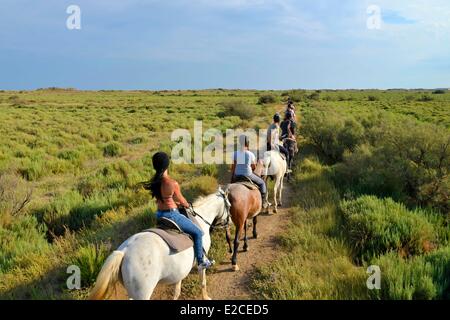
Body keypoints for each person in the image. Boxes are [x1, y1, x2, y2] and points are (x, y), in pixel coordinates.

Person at [144, 152, 213, 270]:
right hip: (172, 215)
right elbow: (182, 201)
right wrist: (186, 204)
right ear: (167, 165)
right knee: (197, 233)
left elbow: (163, 199)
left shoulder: (155, 182)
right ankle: (201, 261)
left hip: (159, 215)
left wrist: (173, 203)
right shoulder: (172, 183)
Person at [231, 135, 269, 209]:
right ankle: (263, 201)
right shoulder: (250, 154)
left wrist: (233, 175)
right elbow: (254, 167)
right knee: (262, 183)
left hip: (237, 175)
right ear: (247, 143)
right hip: (248, 175)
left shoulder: (235, 153)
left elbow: (233, 167)